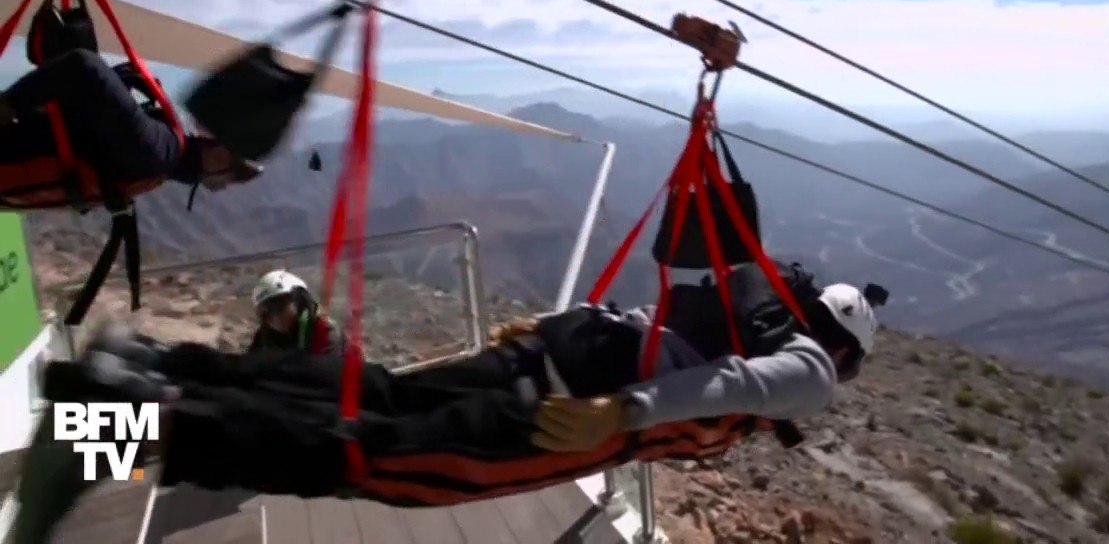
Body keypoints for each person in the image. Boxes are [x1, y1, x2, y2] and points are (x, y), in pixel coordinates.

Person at [14, 261, 887, 541]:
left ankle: (139, 368)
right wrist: (620, 415)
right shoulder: (804, 364)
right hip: (558, 417)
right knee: (368, 458)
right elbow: (738, 387)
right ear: (840, 348)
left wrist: (540, 326)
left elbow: (628, 316)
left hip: (551, 356)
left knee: (371, 396)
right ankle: (113, 430)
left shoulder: (743, 314)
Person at [0, 48, 263, 202]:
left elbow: (84, 66)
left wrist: (8, 104)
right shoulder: (155, 168)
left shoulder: (158, 150)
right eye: (223, 182)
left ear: (220, 155)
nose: (217, 185)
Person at [247, 269, 340, 354]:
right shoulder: (264, 336)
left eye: (276, 306)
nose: (272, 318)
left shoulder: (323, 331)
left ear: (299, 300)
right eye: (264, 313)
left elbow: (329, 368)